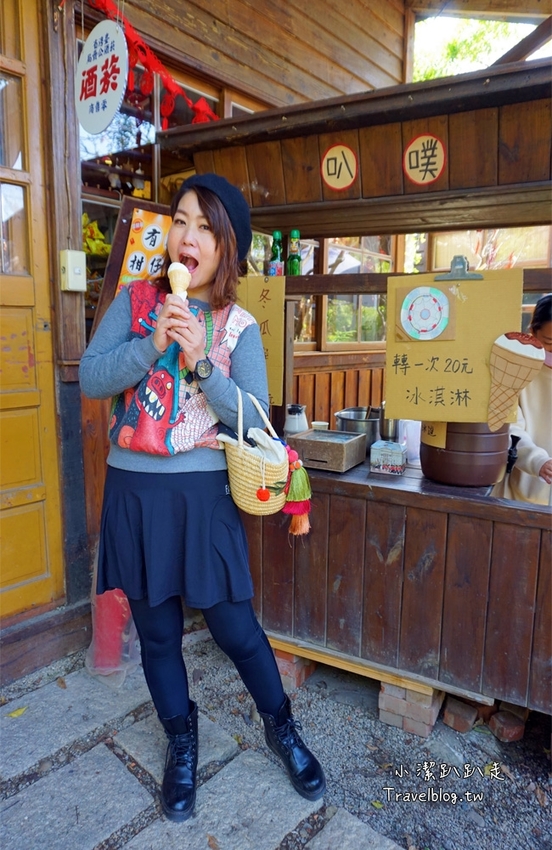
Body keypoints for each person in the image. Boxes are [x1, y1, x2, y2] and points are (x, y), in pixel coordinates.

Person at [79, 173, 325, 821]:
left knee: (235, 628)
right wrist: (153, 343)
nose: (187, 236)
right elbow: (91, 377)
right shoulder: (136, 302)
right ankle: (181, 742)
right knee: (158, 634)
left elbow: (252, 420)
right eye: (180, 220)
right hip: (135, 492)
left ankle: (282, 729)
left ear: (225, 249)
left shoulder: (238, 326)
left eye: (204, 228)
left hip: (204, 495)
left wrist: (203, 366)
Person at [492, 293, 552, 505]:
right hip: (523, 493)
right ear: (532, 333)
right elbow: (510, 427)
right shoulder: (516, 370)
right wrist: (538, 460)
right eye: (550, 343)